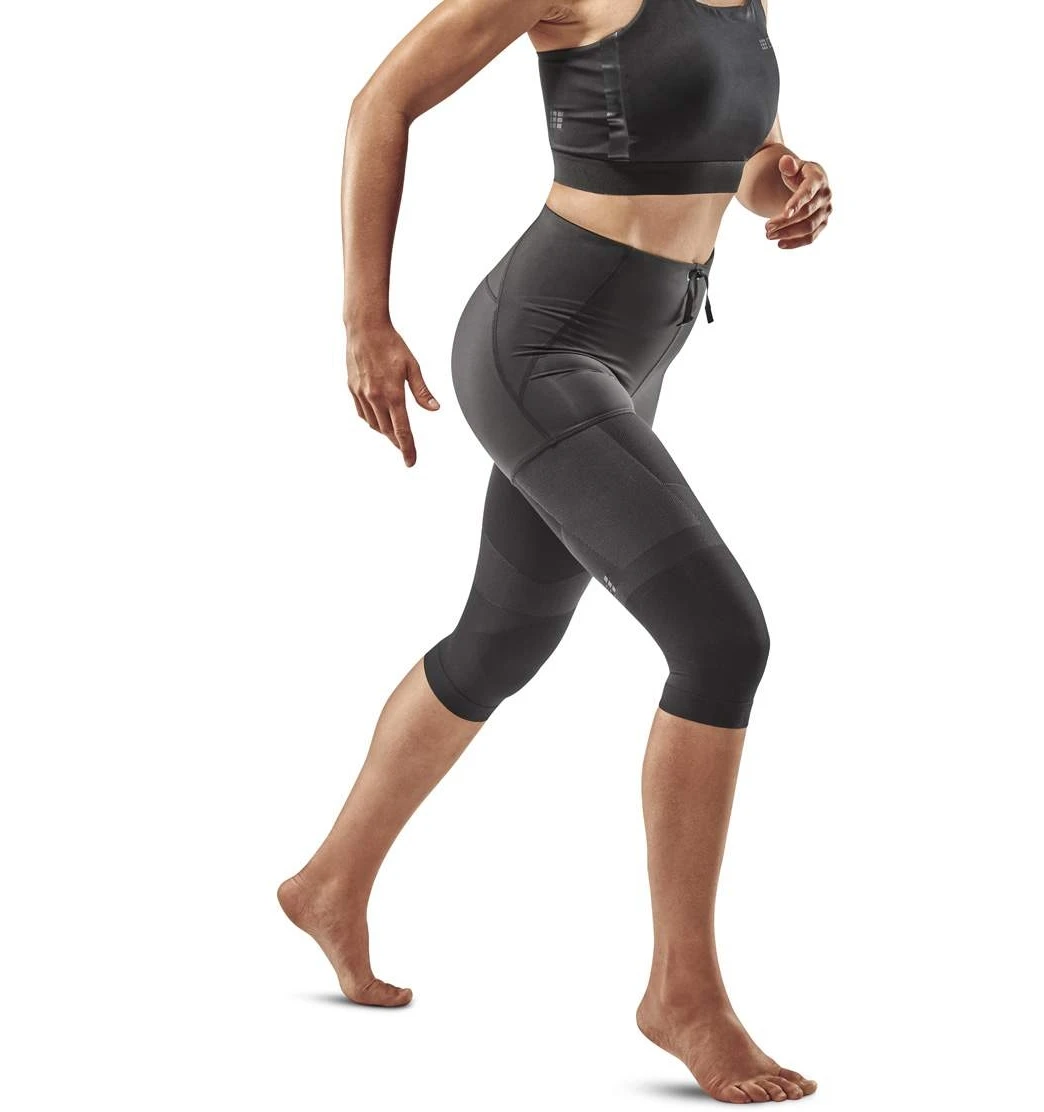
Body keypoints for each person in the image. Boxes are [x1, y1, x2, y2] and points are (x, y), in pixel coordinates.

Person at [279, 0, 831, 1102]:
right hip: (540, 345)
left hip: (641, 348)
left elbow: (738, 163)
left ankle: (329, 882)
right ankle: (683, 993)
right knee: (721, 640)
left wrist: (790, 188)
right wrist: (363, 320)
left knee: (503, 637)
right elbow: (380, 103)